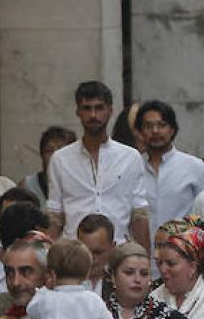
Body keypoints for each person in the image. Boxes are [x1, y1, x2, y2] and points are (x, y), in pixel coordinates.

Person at [48, 81, 150, 249]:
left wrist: (144, 261)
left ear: (110, 111)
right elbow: (55, 217)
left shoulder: (130, 157)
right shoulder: (60, 159)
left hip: (118, 252)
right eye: (87, 108)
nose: (93, 115)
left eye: (99, 108)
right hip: (74, 252)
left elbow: (138, 215)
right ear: (78, 112)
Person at [133, 101, 204, 233]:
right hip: (142, 251)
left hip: (184, 250)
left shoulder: (194, 167)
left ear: (172, 129)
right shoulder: (133, 167)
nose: (155, 131)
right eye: (148, 126)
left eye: (161, 125)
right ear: (140, 131)